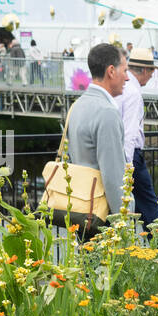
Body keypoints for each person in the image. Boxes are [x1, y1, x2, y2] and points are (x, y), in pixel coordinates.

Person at [62, 43, 129, 222]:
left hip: (79, 207)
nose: (127, 78)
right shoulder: (106, 112)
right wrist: (124, 219)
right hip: (101, 213)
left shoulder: (77, 106)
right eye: (125, 70)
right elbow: (114, 176)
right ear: (111, 71)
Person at [118, 48, 158, 223]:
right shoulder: (133, 93)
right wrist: (127, 168)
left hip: (123, 155)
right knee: (150, 208)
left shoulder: (124, 88)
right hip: (131, 157)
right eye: (151, 71)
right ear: (144, 70)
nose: (151, 75)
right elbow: (129, 133)